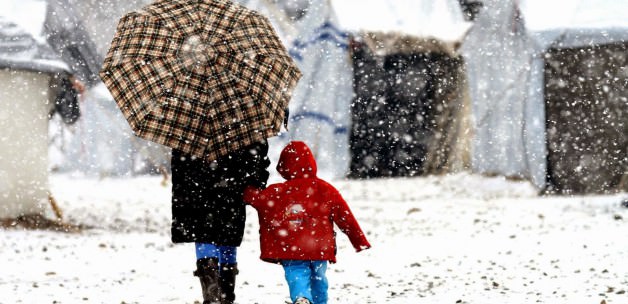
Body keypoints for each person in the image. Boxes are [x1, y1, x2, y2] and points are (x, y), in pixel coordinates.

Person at [244, 141, 371, 304]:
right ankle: (319, 301)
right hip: (319, 247)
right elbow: (345, 217)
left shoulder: (278, 191)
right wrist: (359, 240)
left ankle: (301, 297)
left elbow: (257, 199)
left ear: (284, 167)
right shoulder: (326, 189)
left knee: (296, 273)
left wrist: (244, 187)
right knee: (319, 277)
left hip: (290, 248)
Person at [170, 141, 270, 304]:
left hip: (196, 187)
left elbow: (179, 160)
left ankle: (212, 294)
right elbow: (257, 152)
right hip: (231, 185)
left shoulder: (188, 122)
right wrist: (255, 180)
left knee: (204, 234)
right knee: (227, 234)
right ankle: (226, 293)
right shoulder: (242, 121)